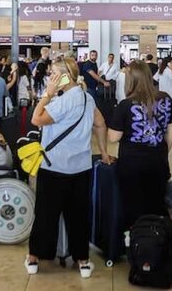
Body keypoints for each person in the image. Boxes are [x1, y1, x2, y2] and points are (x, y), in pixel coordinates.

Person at [25, 57, 111, 279]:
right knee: (78, 215)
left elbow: (36, 119)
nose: (50, 77)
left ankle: (35, 257)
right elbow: (100, 124)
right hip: (80, 168)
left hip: (54, 166)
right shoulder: (86, 98)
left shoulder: (61, 101)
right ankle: (82, 261)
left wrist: (48, 94)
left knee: (46, 214)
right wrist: (103, 152)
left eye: (53, 73)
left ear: (64, 75)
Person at [109, 60, 172, 230]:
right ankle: (159, 241)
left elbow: (113, 137)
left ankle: (138, 245)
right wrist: (162, 151)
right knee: (158, 204)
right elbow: (171, 130)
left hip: (131, 164)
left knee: (134, 207)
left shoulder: (125, 105)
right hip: (159, 162)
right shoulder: (166, 99)